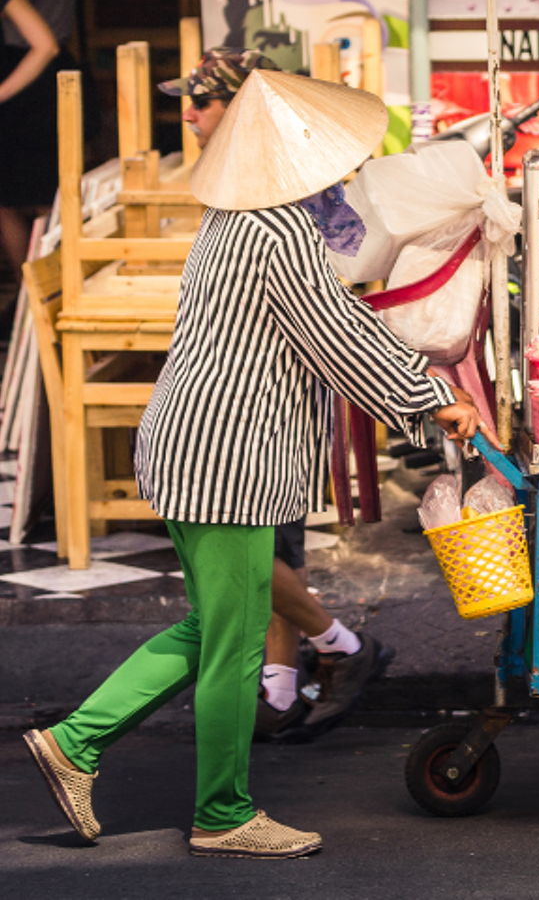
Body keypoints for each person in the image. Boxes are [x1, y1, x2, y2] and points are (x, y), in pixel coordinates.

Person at [23, 66, 482, 858]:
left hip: (193, 447)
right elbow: (337, 333)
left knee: (215, 628)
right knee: (233, 643)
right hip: (224, 457)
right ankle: (223, 812)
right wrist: (426, 394)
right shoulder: (276, 231)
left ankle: (75, 743)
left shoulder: (236, 218)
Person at [159, 48, 399, 745]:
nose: (190, 113)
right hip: (240, 419)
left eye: (202, 102)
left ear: (244, 112)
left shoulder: (275, 216)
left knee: (253, 567)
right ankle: (283, 684)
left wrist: (420, 396)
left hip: (255, 420)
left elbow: (332, 322)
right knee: (251, 567)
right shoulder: (236, 208)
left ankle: (322, 658)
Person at [0, 0, 77, 275]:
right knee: (10, 192)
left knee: (39, 189)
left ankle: (44, 287)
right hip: (18, 63)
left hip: (41, 74)